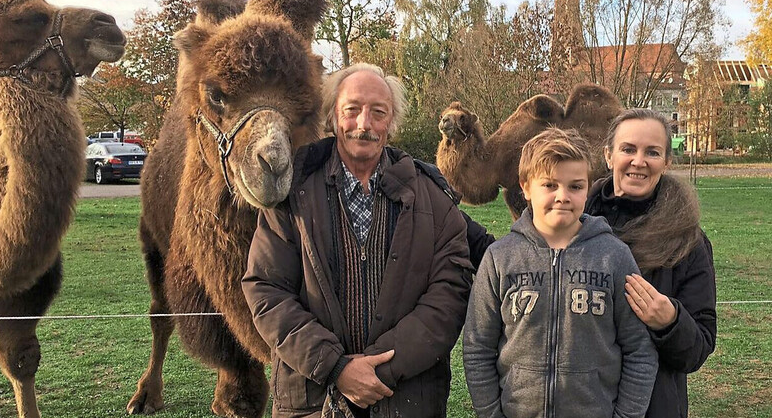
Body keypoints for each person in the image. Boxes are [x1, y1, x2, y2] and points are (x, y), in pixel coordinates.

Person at [243, 63, 474, 418]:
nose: (363, 124)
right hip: (312, 402)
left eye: (378, 112)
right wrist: (337, 368)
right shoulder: (293, 195)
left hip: (407, 400)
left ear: (391, 123)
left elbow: (450, 292)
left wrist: (377, 371)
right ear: (334, 116)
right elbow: (267, 290)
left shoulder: (432, 197)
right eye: (352, 110)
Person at [463, 127, 658, 418]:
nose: (563, 196)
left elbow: (640, 350)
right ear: (526, 187)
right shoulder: (500, 258)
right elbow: (477, 348)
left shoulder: (614, 257)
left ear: (588, 187)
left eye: (575, 186)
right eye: (550, 185)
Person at [585, 108, 717, 418]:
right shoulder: (573, 224)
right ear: (608, 155)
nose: (639, 161)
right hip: (579, 401)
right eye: (628, 149)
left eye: (652, 152)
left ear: (667, 162)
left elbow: (698, 348)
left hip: (653, 407)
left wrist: (671, 321)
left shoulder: (688, 241)